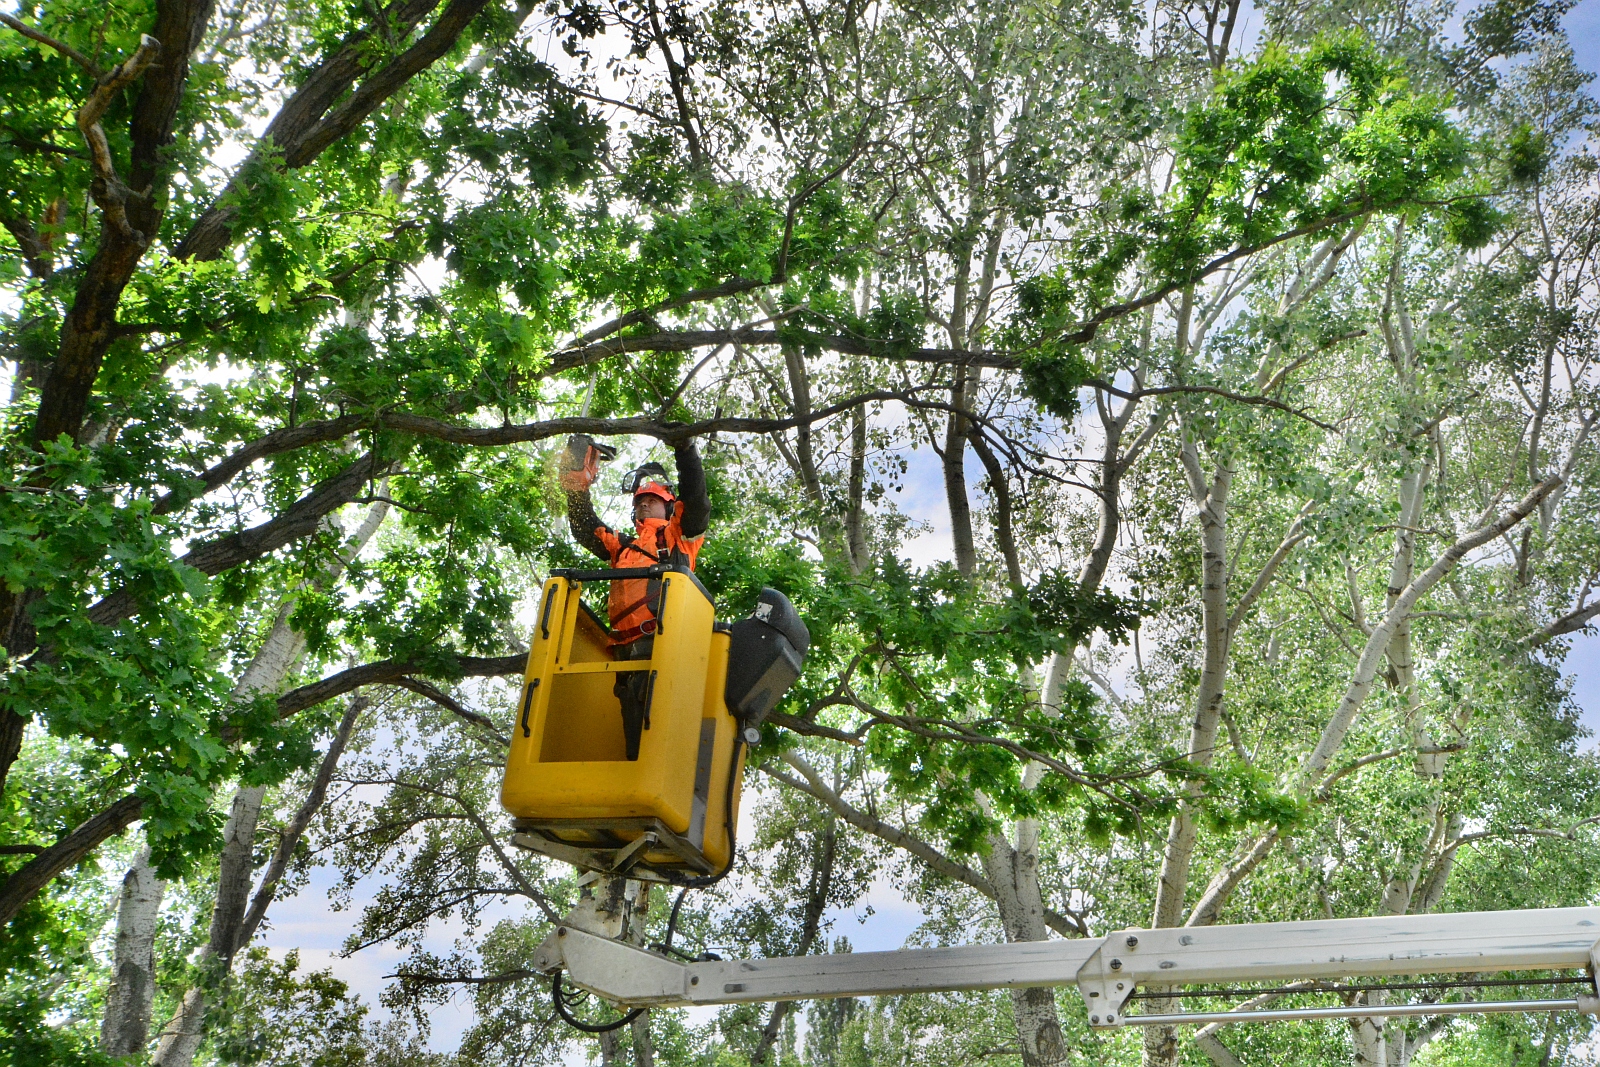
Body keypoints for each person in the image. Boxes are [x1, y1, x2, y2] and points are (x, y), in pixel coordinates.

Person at [559, 435, 710, 759]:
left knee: (658, 729)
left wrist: (685, 450)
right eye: (640, 500)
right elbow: (586, 528)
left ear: (669, 505)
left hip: (661, 644)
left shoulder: (679, 538)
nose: (644, 503)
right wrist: (576, 488)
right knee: (633, 732)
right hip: (624, 650)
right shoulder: (623, 547)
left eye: (652, 499)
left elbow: (697, 502)